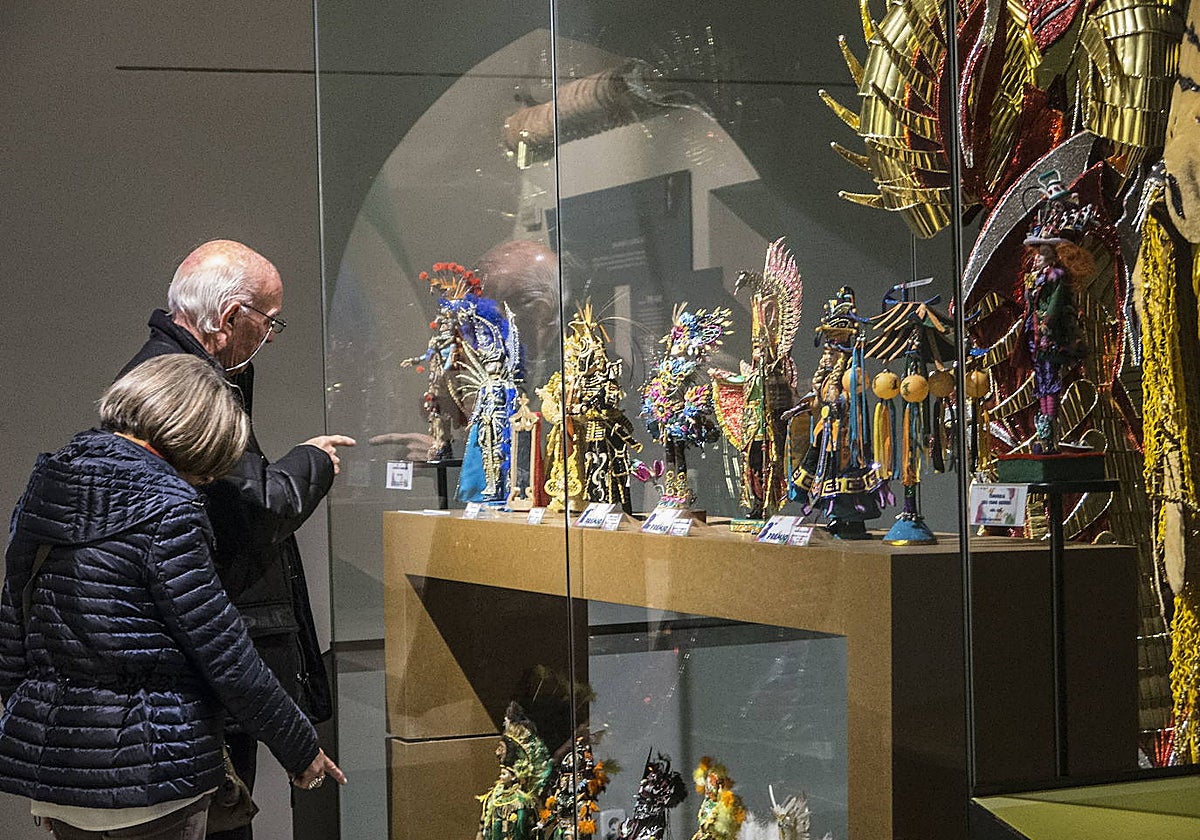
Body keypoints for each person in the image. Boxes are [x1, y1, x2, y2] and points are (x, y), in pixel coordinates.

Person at [0, 355, 346, 840]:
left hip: (60, 779)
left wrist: (39, 744)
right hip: (154, 773)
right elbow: (225, 653)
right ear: (199, 439)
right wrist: (299, 747)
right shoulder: (169, 509)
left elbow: (14, 628)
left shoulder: (48, 486)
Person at [117, 239, 356, 840]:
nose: (267, 340)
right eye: (268, 324)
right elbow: (253, 513)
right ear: (227, 319)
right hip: (184, 682)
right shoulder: (186, 390)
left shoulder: (154, 386)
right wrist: (312, 462)